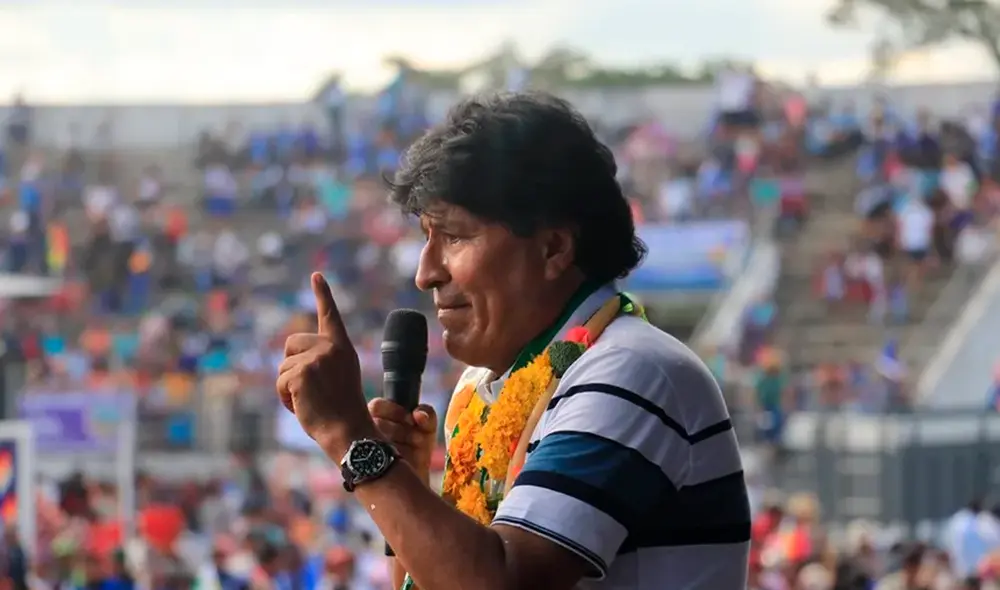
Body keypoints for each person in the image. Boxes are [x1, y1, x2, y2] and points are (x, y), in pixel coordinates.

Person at [277, 92, 751, 590]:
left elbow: (504, 582)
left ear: (553, 248)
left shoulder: (630, 370)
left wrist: (353, 439)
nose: (425, 272)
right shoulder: (480, 388)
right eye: (426, 238)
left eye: (455, 237)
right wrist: (404, 481)